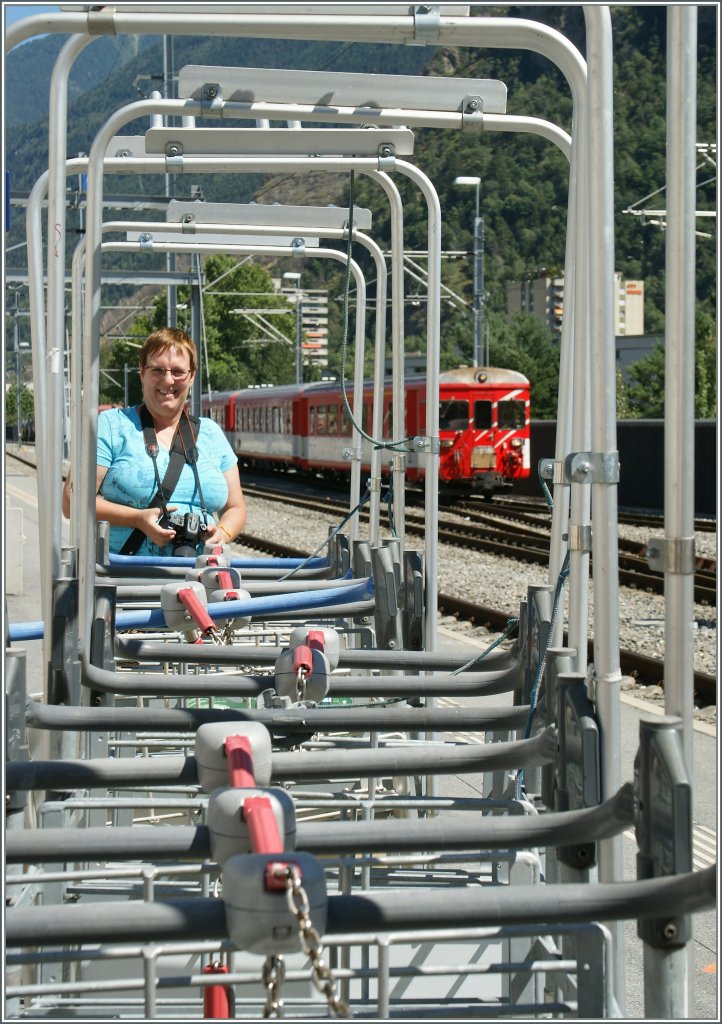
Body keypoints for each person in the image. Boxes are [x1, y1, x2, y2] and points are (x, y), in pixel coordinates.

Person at [62, 327, 247, 556]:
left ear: (192, 375)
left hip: (200, 578)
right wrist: (137, 519)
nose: (168, 380)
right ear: (142, 372)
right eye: (157, 370)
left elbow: (236, 507)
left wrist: (223, 532)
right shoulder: (109, 426)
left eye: (178, 371)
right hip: (124, 576)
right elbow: (72, 501)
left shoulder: (212, 433)